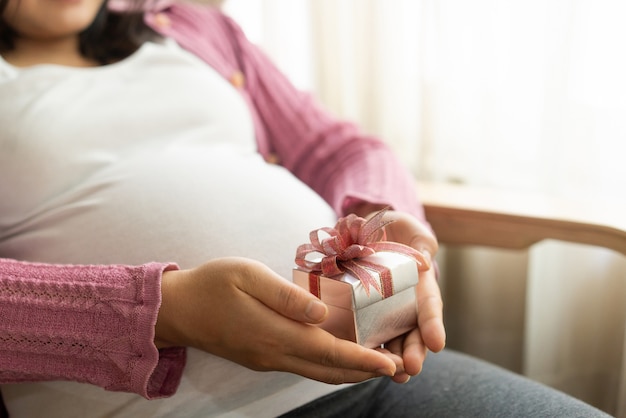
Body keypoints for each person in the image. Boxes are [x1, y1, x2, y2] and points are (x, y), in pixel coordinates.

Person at [0, 0, 610, 417]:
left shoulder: (190, 26)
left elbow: (337, 146)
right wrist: (166, 313)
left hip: (376, 377)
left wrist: (389, 214)